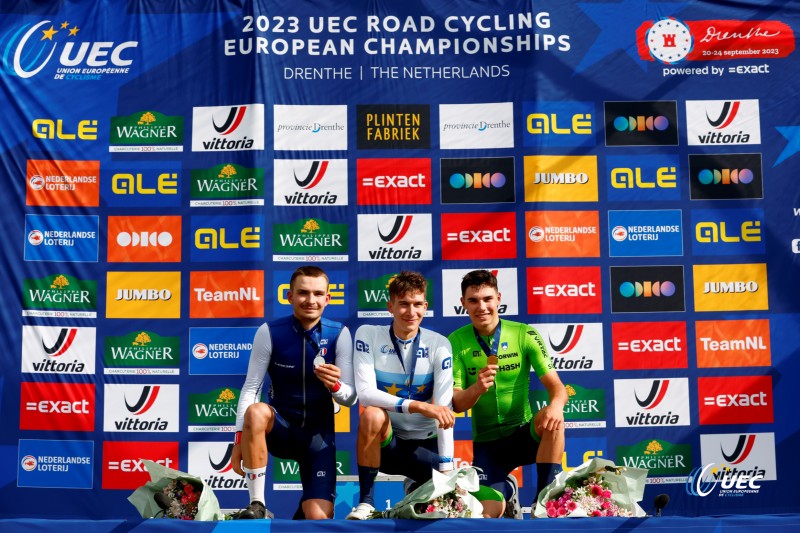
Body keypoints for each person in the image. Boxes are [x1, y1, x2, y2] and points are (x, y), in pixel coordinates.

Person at [231, 266, 357, 520]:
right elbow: (251, 387)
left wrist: (334, 385)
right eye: (303, 293)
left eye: (318, 294)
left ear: (327, 298)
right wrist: (237, 441)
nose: (311, 300)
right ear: (289, 296)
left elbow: (350, 398)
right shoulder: (269, 332)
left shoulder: (339, 334)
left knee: (318, 518)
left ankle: (302, 510)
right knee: (255, 412)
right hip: (281, 430)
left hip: (317, 439)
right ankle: (257, 504)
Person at [449, 269, 567, 519]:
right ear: (463, 304)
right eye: (473, 300)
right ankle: (508, 490)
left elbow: (557, 388)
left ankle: (543, 501)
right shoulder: (456, 342)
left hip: (522, 435)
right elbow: (457, 404)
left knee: (552, 418)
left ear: (498, 298)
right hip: (487, 446)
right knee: (489, 510)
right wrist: (477, 388)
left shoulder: (524, 333)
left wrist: (556, 406)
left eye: (487, 299)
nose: (481, 307)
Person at [346, 271, 456, 520]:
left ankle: (418, 486)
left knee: (469, 496)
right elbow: (365, 395)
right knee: (372, 414)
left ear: (425, 307)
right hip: (388, 445)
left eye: (417, 304)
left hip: (424, 447)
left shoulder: (439, 344)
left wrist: (447, 473)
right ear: (390, 306)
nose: (411, 311)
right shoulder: (368, 334)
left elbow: (444, 414)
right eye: (403, 304)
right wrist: (419, 406)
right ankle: (366, 503)